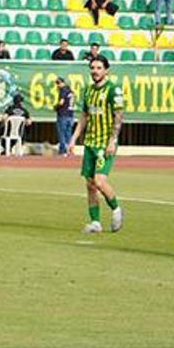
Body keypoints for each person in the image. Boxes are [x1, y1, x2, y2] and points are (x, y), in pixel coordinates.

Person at [68, 56, 124, 234]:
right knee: (90, 184)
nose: (95, 71)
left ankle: (116, 209)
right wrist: (74, 138)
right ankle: (95, 222)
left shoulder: (113, 90)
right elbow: (84, 116)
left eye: (99, 68)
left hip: (104, 144)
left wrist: (112, 140)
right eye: (92, 68)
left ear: (106, 70)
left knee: (100, 181)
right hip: (90, 143)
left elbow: (118, 116)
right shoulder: (88, 91)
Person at [53, 76, 75, 157]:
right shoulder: (71, 91)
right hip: (70, 114)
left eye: (58, 83)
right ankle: (69, 151)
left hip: (63, 114)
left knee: (61, 133)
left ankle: (63, 151)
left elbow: (61, 102)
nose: (57, 86)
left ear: (61, 83)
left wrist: (56, 107)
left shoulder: (63, 90)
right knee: (68, 134)